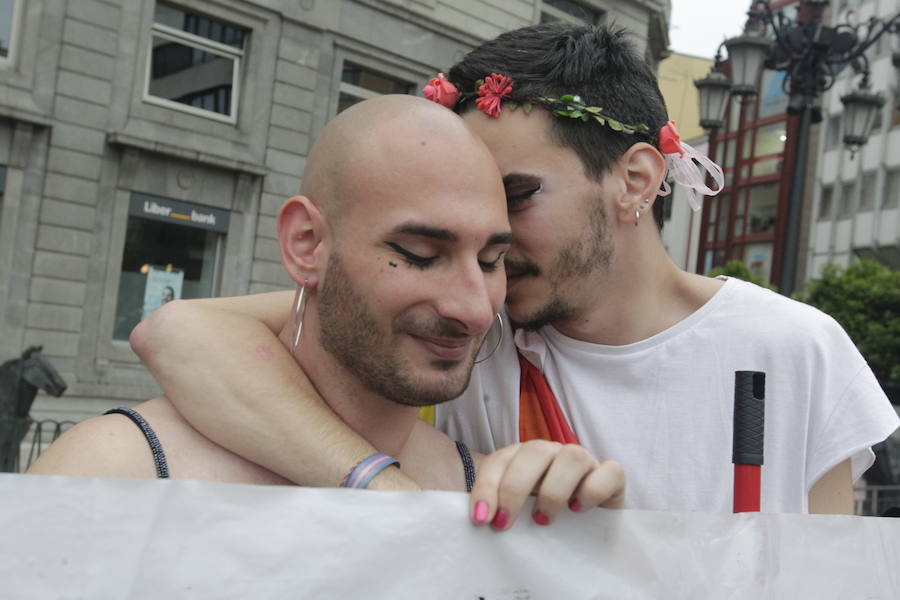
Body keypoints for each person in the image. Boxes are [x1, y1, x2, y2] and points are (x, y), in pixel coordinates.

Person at [131, 24, 898, 515]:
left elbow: (819, 573)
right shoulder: (472, 322)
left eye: (516, 196)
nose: (485, 241)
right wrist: (385, 494)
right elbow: (180, 331)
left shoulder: (794, 347)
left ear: (635, 180)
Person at [27, 95, 625, 530]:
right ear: (306, 244)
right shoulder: (113, 469)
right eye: (419, 254)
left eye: (493, 260)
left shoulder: (495, 493)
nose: (472, 308)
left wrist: (588, 540)